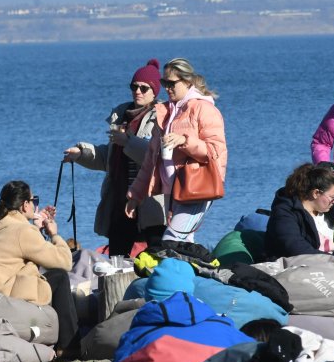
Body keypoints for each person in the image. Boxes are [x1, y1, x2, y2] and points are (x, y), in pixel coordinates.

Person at [63, 59, 166, 256]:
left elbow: (157, 158)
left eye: (144, 88)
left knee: (155, 259)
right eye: (134, 86)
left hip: (150, 202)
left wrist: (127, 142)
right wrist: (81, 154)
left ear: (155, 92)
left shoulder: (162, 117)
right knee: (117, 261)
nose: (138, 91)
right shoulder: (120, 117)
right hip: (120, 201)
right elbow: (107, 159)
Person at [0, 180, 78, 356]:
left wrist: (36, 229)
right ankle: (68, 345)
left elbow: (18, 251)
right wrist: (53, 233)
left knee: (41, 272)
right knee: (59, 276)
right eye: (34, 201)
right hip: (4, 296)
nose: (35, 205)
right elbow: (64, 261)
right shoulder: (22, 231)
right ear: (25, 205)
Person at [126, 57, 227, 243]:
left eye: (171, 83)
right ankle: (192, 272)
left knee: (171, 240)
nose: (166, 88)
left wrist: (184, 141)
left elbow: (214, 152)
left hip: (197, 188)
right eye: (164, 82)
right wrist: (135, 195)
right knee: (184, 244)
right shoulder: (165, 113)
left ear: (187, 81)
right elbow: (150, 161)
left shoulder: (204, 109)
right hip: (173, 191)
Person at [265, 163, 334, 258]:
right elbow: (296, 248)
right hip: (300, 265)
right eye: (332, 197)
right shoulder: (285, 214)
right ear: (316, 193)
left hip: (330, 262)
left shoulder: (328, 210)